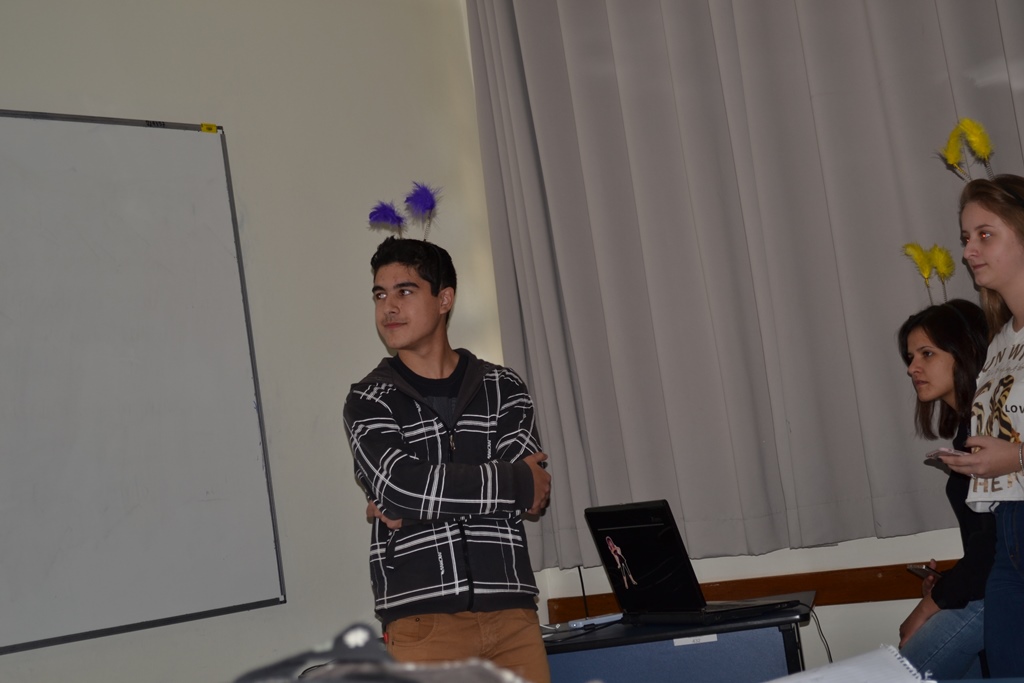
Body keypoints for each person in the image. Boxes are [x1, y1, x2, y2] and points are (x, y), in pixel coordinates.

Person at [343, 236, 553, 683]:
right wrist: (509, 482)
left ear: (444, 300)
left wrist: (415, 499)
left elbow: (533, 492)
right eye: (380, 295)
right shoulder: (369, 399)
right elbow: (400, 486)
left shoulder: (502, 387)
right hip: (422, 623)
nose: (388, 307)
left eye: (405, 291)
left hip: (513, 616)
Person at [939, 174, 1024, 678]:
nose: (969, 250)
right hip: (1009, 537)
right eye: (966, 237)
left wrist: (1014, 457)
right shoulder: (1000, 341)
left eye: (985, 234)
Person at [896, 301, 995, 679]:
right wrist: (948, 585)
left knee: (905, 671)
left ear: (965, 352)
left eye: (927, 354)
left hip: (1001, 591)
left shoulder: (991, 428)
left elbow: (998, 548)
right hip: (986, 587)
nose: (912, 368)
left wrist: (932, 604)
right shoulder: (967, 430)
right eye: (910, 357)